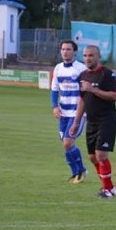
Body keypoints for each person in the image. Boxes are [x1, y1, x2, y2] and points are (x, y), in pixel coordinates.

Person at [69, 45, 116, 199]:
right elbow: (82, 100)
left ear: (99, 57)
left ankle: (107, 190)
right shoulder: (83, 75)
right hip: (91, 121)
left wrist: (93, 90)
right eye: (85, 55)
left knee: (101, 155)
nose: (87, 58)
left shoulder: (106, 74)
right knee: (92, 157)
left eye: (91, 55)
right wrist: (76, 122)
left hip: (106, 120)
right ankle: (109, 187)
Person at [51, 39, 88, 184]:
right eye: (63, 49)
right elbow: (54, 89)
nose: (65, 52)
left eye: (68, 49)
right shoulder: (58, 68)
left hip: (77, 113)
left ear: (75, 52)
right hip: (63, 113)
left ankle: (81, 171)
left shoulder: (81, 69)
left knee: (67, 143)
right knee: (67, 145)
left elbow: (86, 92)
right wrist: (55, 107)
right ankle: (76, 172)